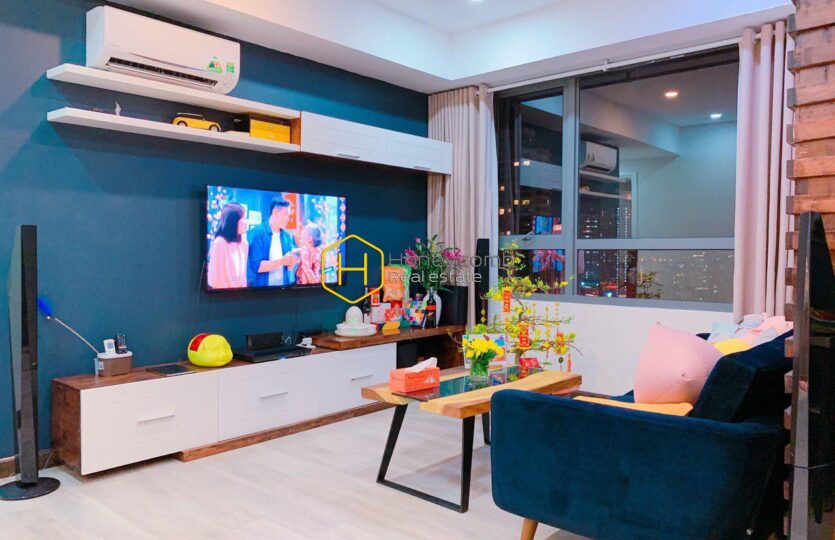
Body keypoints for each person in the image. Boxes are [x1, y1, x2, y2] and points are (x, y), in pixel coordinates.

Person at [247, 195, 298, 287]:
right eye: (286, 214)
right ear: (275, 212)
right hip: (263, 289)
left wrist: (292, 261)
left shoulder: (286, 235)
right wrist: (282, 261)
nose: (288, 218)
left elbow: (288, 266)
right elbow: (256, 266)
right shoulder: (257, 233)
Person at [207, 202, 248, 289]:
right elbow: (214, 280)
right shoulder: (219, 243)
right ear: (232, 221)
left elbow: (243, 277)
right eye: (243, 218)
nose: (246, 222)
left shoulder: (244, 243)